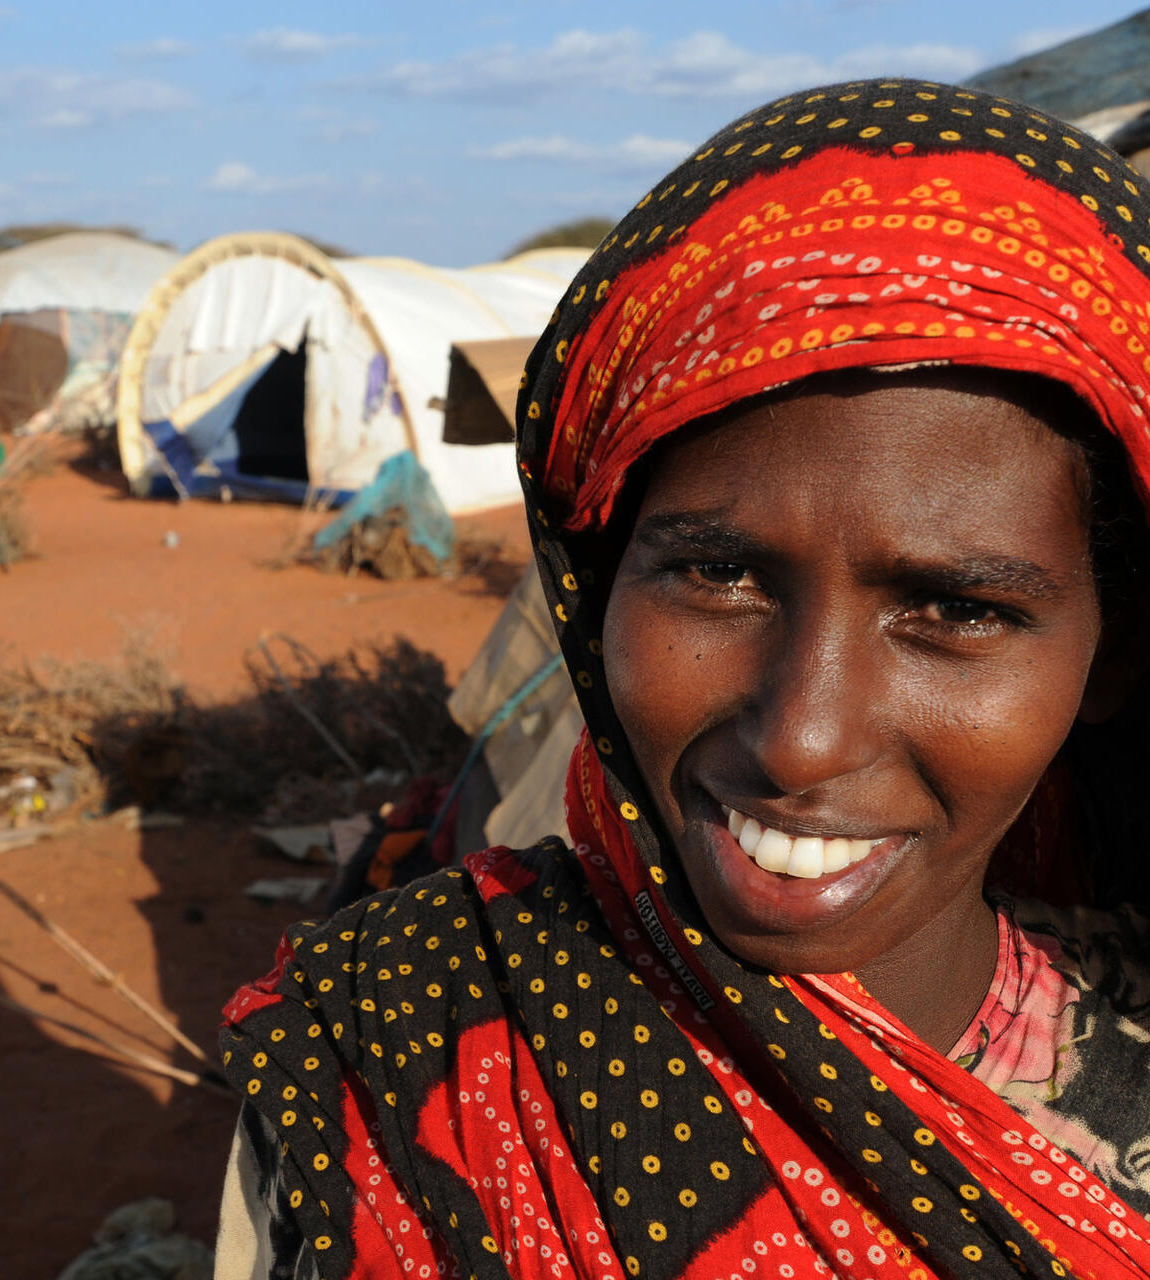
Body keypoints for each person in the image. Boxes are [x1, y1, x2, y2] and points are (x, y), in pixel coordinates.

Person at [215, 78, 1150, 1278]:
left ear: (1108, 653)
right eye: (717, 574)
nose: (801, 739)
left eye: (957, 610)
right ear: (593, 585)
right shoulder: (383, 1041)